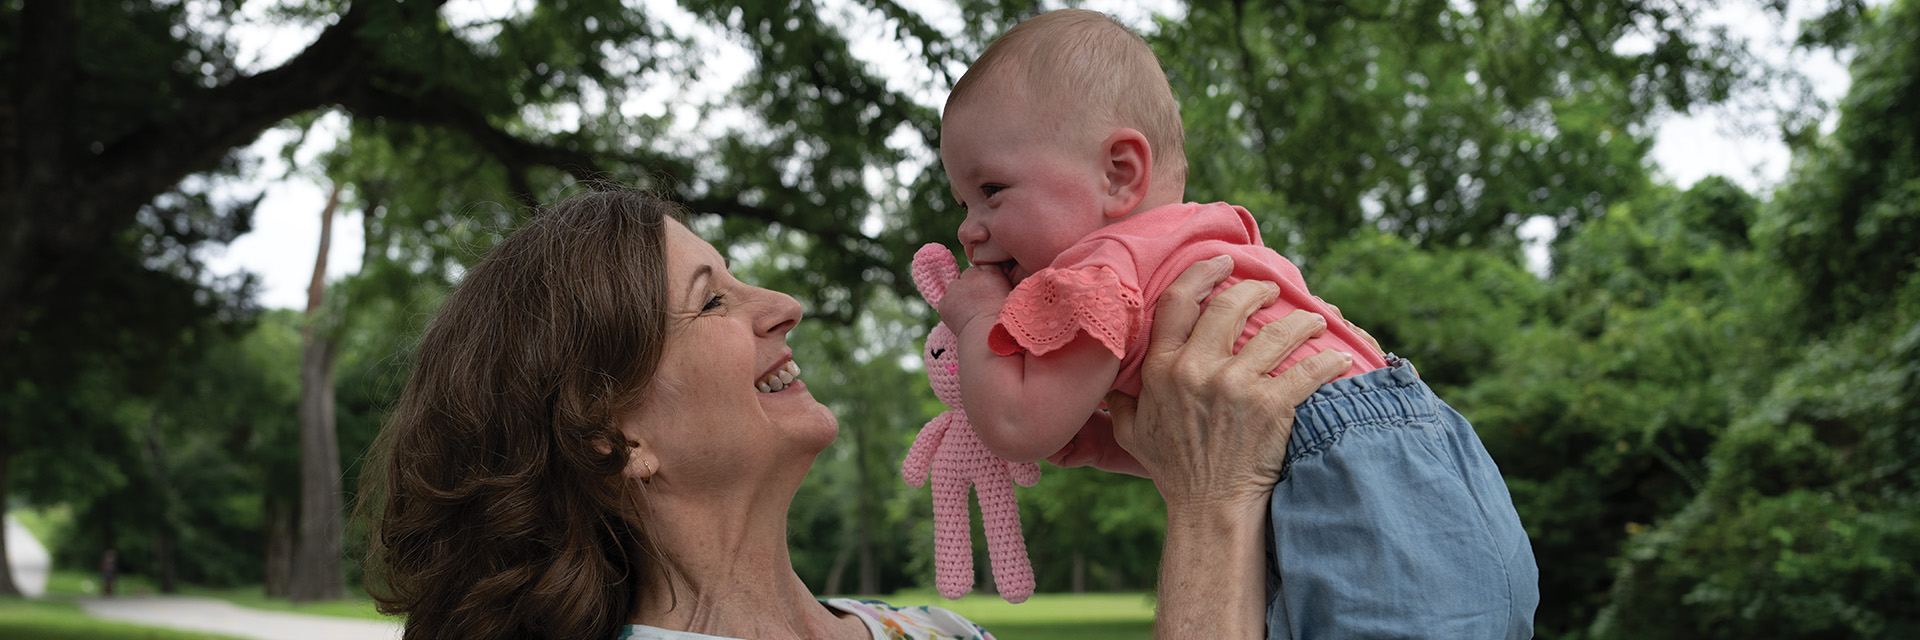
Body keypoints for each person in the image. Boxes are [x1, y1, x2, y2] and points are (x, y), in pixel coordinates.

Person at [359, 188, 1354, 640]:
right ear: (612, 433)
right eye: (713, 299)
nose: (782, 304)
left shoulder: (935, 631)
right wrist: (1217, 502)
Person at [932, 9, 1538, 639]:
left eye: (993, 190)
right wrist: (1111, 447)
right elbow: (1246, 447)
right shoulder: (1197, 240)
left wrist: (977, 317)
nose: (969, 228)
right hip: (1437, 456)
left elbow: (1014, 423)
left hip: (1355, 487)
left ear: (1119, 173)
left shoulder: (1099, 272)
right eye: (963, 203)